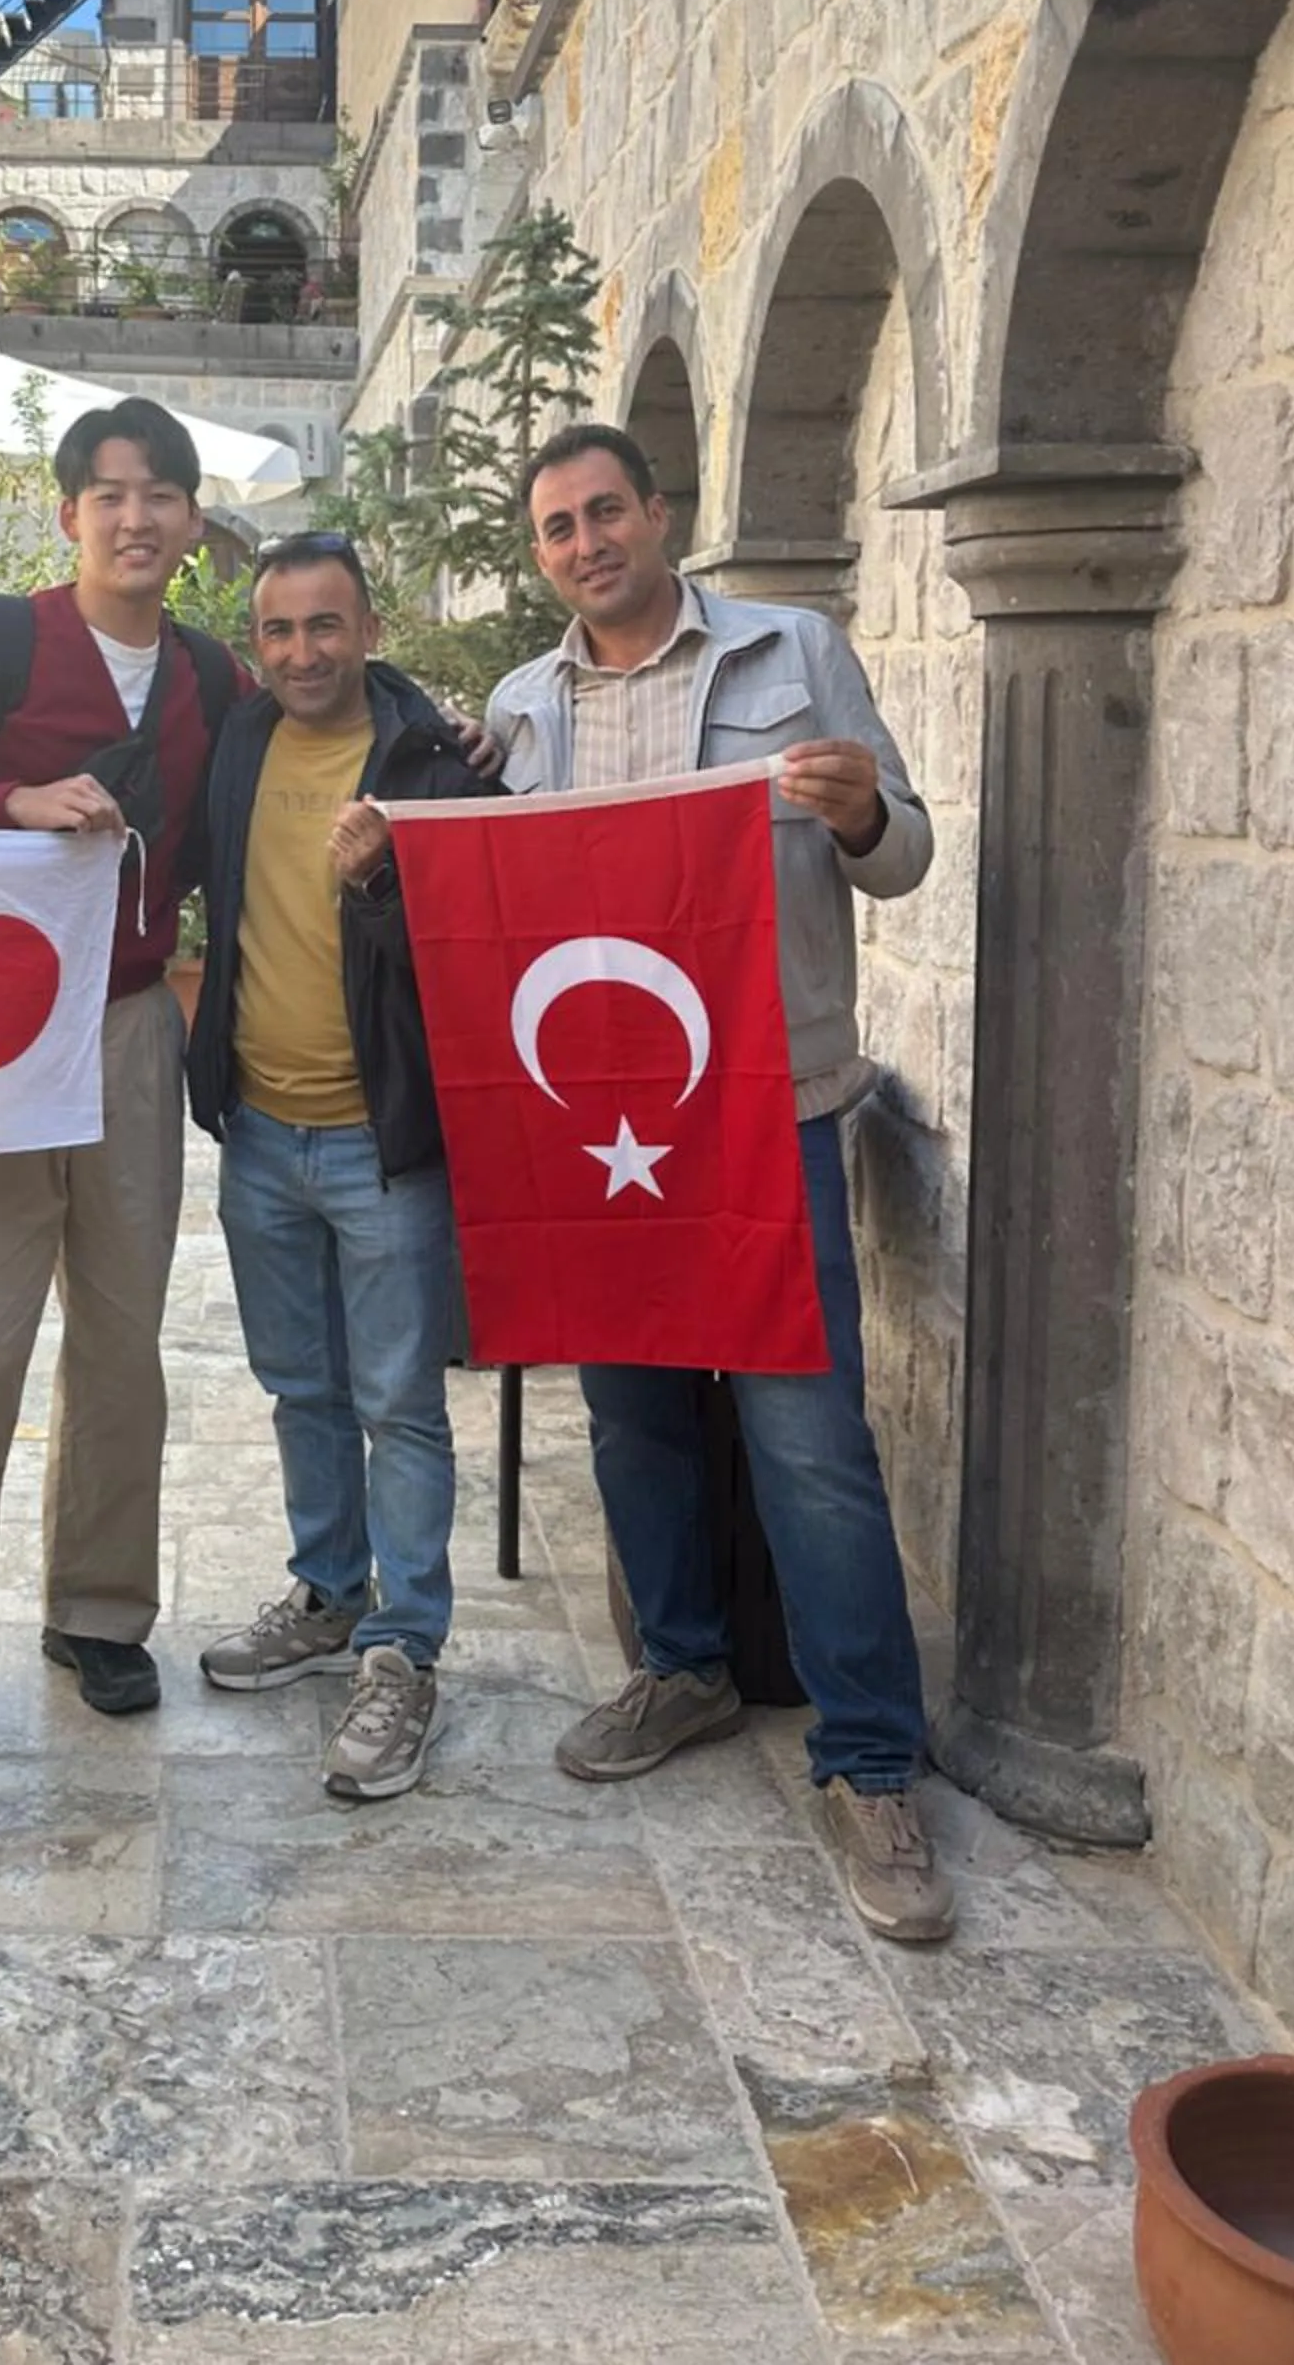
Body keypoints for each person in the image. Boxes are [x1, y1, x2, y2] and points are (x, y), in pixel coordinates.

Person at [487, 420, 954, 1944]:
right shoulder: (519, 704)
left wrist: (856, 813)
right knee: (628, 1409)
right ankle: (680, 1664)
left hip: (771, 1106)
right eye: (555, 527)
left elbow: (905, 856)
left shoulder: (789, 653)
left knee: (807, 1435)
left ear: (658, 515)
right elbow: (498, 901)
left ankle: (871, 1759)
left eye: (603, 512)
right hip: (598, 1124)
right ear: (540, 553)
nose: (583, 543)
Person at [0, 397, 249, 1773]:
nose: (136, 517)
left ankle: (97, 1610)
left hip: (133, 1025)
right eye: (110, 492)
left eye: (162, 495)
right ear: (70, 511)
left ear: (193, 523)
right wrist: (11, 806)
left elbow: (278, 795)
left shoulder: (212, 678)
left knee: (121, 1340)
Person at [186, 533, 496, 1800]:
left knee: (399, 1403)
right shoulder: (240, 745)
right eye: (278, 630)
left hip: (385, 1144)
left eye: (326, 626)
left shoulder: (438, 763)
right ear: (256, 643)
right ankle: (327, 1592)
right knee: (298, 1384)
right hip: (260, 1129)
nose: (302, 652)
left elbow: (475, 948)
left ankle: (404, 1650)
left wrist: (383, 885)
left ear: (370, 629)